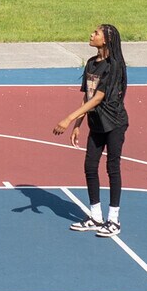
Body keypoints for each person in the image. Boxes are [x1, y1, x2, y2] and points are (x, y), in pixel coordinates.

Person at [54, 23, 128, 238]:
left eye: (96, 33)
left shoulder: (114, 66)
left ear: (106, 40)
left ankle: (113, 220)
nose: (91, 34)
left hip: (114, 123)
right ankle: (95, 216)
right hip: (96, 124)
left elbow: (98, 98)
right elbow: (87, 95)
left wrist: (68, 118)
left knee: (112, 168)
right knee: (90, 166)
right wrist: (78, 124)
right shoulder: (90, 63)